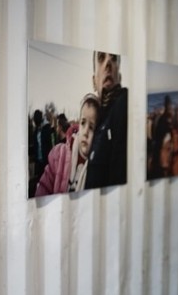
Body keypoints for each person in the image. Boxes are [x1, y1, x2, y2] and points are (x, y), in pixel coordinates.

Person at [35, 94, 100, 196]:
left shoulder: (98, 165)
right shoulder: (59, 155)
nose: (86, 131)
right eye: (83, 123)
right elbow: (44, 187)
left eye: (91, 127)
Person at [84, 51, 128, 189]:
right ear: (94, 81)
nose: (108, 63)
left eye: (113, 59)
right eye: (101, 58)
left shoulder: (124, 105)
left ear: (119, 77)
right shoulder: (99, 122)